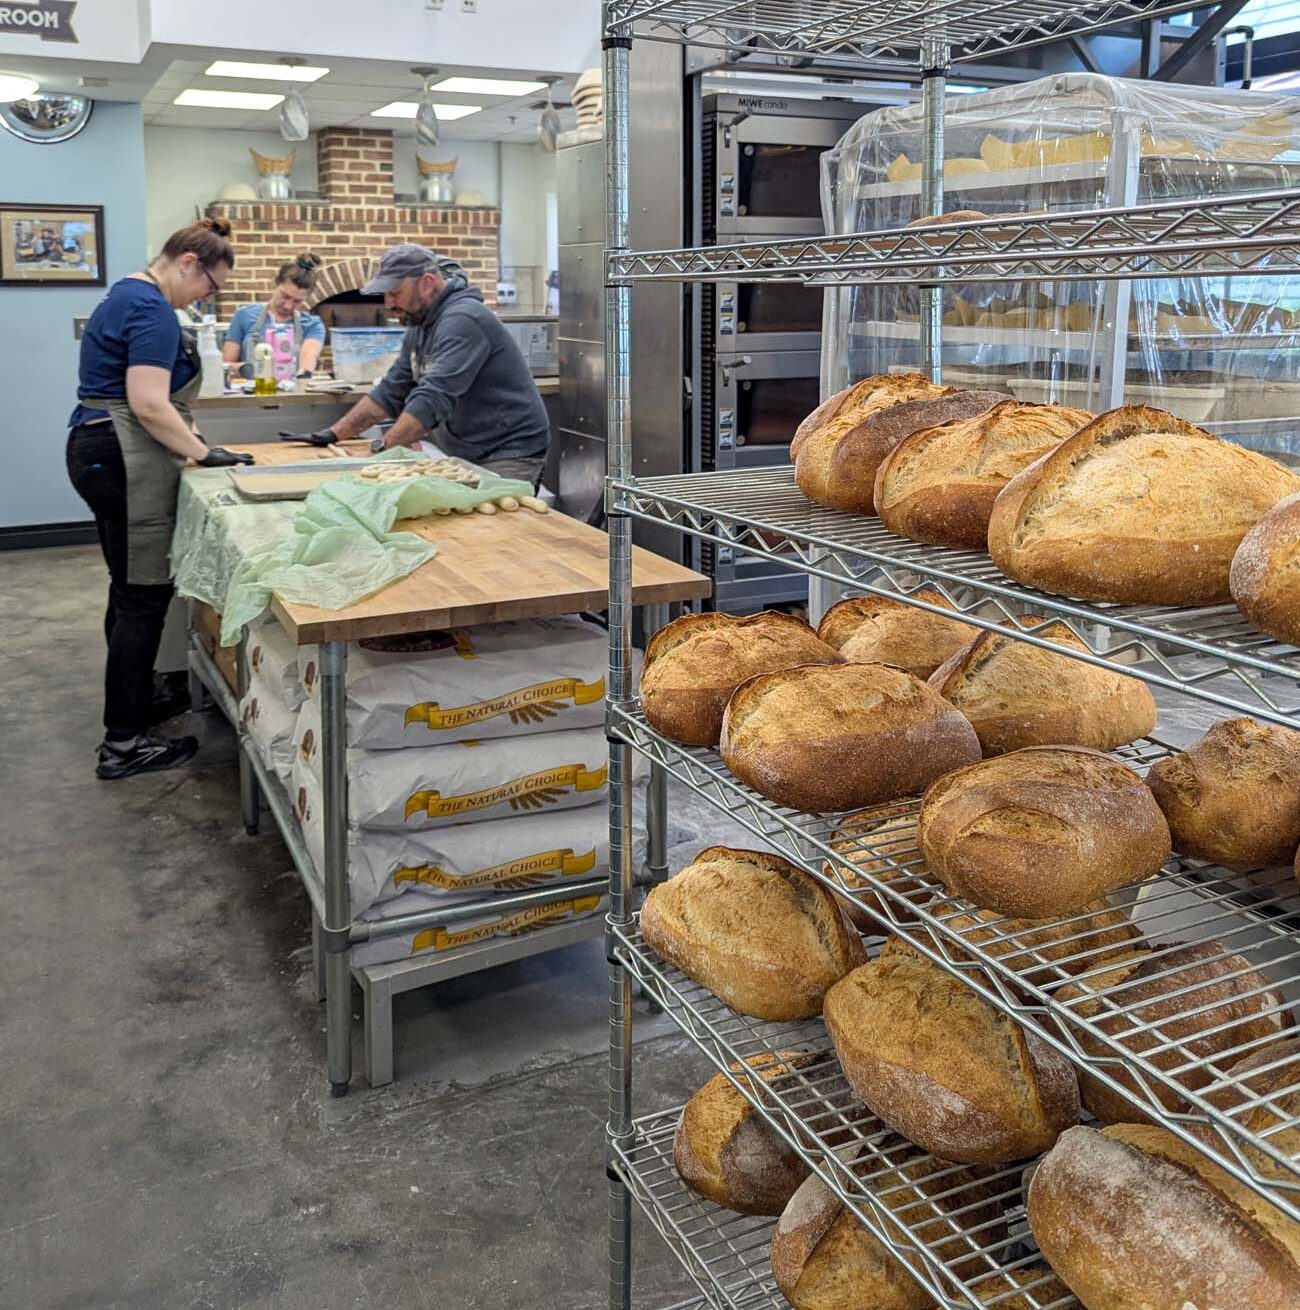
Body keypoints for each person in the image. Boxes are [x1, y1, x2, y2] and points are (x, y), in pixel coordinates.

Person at [65, 216, 252, 781]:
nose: (207, 297)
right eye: (210, 286)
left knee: (127, 593)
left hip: (95, 448)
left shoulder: (124, 293)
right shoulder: (151, 310)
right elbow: (148, 404)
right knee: (143, 598)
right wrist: (201, 452)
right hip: (120, 453)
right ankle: (123, 745)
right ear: (189, 263)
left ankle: (138, 701)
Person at [285, 245, 549, 484]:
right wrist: (333, 434)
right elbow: (392, 391)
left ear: (427, 283)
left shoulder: (464, 320)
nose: (388, 304)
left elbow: (432, 399)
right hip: (468, 449)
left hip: (510, 451)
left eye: (395, 292)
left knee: (493, 529)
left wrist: (376, 453)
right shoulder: (420, 325)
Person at [221, 251, 326, 377]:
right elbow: (226, 365)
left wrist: (304, 373)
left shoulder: (313, 325)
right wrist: (245, 368)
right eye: (285, 296)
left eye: (297, 301)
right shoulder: (244, 315)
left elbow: (308, 359)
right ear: (275, 284)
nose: (288, 306)